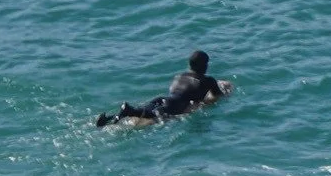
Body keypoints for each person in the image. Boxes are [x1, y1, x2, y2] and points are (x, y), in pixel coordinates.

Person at [96, 50, 230, 127]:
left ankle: (110, 119)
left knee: (144, 112)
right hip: (174, 105)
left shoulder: (180, 76)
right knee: (151, 115)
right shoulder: (208, 80)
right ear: (204, 66)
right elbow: (217, 96)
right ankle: (128, 109)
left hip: (162, 99)